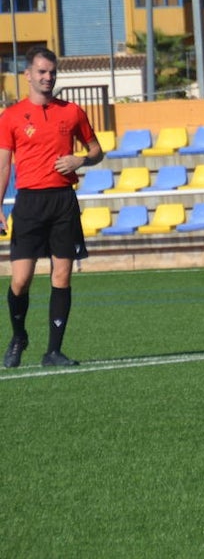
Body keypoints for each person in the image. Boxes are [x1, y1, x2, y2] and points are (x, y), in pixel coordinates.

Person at [0, 47, 104, 368]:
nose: (48, 77)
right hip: (29, 202)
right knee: (20, 280)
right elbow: (3, 165)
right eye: (42, 72)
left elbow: (97, 150)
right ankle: (19, 336)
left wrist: (81, 160)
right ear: (28, 74)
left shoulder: (72, 112)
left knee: (62, 276)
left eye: (52, 72)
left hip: (62, 201)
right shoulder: (11, 117)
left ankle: (53, 351)